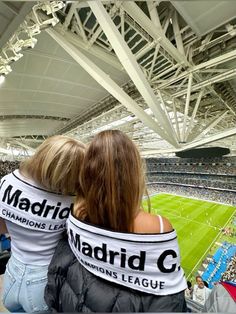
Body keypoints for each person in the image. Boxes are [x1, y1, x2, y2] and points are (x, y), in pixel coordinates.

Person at [45, 130, 187, 312]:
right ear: (134, 173)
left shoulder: (77, 212)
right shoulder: (158, 226)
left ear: (87, 171)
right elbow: (169, 299)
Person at [0, 135, 85, 313]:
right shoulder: (75, 203)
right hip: (44, 280)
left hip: (12, 272)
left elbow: (2, 226)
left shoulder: (8, 181)